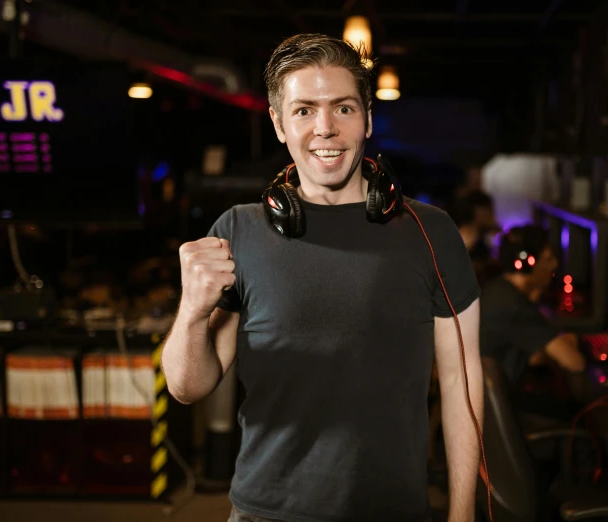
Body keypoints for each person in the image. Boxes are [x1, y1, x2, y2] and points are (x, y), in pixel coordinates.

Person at [161, 33, 484, 522]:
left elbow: (462, 384)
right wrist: (190, 311)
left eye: (344, 109)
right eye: (304, 110)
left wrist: (463, 516)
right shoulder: (236, 232)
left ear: (368, 118)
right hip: (265, 513)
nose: (325, 129)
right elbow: (188, 388)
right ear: (278, 123)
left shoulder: (431, 232)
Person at [479, 224, 585, 387]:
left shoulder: (498, 290)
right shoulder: (514, 307)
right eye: (548, 259)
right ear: (527, 261)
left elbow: (534, 357)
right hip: (509, 402)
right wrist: (569, 342)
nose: (555, 265)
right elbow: (575, 363)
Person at [448, 190, 502, 286]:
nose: (493, 214)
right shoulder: (467, 234)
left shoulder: (484, 235)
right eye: (489, 209)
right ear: (478, 211)